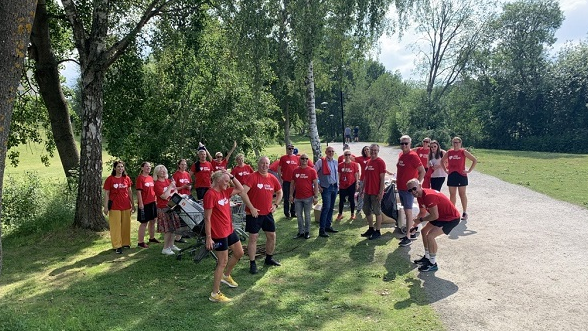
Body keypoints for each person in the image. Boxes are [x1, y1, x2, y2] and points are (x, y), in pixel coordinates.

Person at [204, 170, 256, 303]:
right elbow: (207, 218)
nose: (228, 184)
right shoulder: (210, 194)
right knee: (222, 262)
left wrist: (231, 176)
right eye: (226, 181)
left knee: (239, 252)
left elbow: (240, 188)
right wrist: (209, 237)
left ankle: (226, 276)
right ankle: (215, 293)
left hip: (229, 230)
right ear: (218, 180)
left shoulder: (225, 192)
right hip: (218, 233)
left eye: (228, 181)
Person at [406, 178, 461, 272]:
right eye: (410, 190)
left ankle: (432, 263)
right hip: (440, 216)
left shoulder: (428, 196)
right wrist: (414, 225)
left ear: (420, 186)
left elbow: (434, 216)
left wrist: (421, 220)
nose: (413, 192)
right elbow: (422, 212)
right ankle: (427, 258)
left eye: (414, 188)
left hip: (451, 218)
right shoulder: (420, 196)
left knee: (430, 236)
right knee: (423, 231)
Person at [242, 156, 283, 274]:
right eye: (262, 163)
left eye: (267, 163)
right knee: (253, 238)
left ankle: (268, 259)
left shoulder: (272, 178)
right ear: (258, 164)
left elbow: (280, 192)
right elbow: (243, 193)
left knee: (272, 236)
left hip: (267, 213)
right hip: (254, 214)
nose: (265, 166)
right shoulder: (252, 177)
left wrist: (275, 204)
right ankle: (252, 263)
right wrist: (251, 208)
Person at [396, 135, 426, 247]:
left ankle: (407, 236)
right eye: (402, 143)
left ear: (410, 144)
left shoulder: (413, 156)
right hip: (400, 187)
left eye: (406, 143)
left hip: (408, 190)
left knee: (408, 213)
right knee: (406, 211)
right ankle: (412, 230)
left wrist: (416, 186)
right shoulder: (401, 155)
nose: (404, 145)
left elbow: (422, 171)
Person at [441, 136, 478, 220]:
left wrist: (469, 170)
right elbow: (442, 161)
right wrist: (446, 170)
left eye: (457, 142)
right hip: (452, 175)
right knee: (452, 194)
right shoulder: (449, 152)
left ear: (460, 143)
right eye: (454, 142)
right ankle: (452, 212)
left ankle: (464, 212)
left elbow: (474, 160)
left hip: (461, 175)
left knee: (462, 194)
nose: (456, 144)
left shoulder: (463, 152)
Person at [103, 160, 135, 254]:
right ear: (114, 168)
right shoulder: (110, 179)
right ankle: (117, 245)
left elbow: (129, 192)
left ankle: (125, 243)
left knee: (126, 225)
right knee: (115, 226)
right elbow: (107, 193)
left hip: (126, 205)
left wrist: (132, 204)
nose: (120, 168)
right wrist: (105, 206)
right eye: (118, 167)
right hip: (114, 206)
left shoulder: (127, 178)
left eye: (122, 167)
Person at [359, 144, 386, 240]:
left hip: (376, 191)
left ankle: (378, 231)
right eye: (372, 150)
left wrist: (381, 192)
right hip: (367, 191)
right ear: (369, 151)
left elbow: (382, 179)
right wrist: (362, 190)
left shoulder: (380, 162)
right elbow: (365, 177)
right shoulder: (368, 162)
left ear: (378, 151)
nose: (373, 152)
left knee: (377, 211)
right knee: (366, 209)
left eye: (375, 150)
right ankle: (371, 228)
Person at [153, 164, 181, 255]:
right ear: (156, 173)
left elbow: (175, 192)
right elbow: (164, 196)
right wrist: (170, 187)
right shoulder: (157, 184)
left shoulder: (168, 180)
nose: (163, 172)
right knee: (168, 229)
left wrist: (172, 189)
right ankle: (165, 248)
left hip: (172, 206)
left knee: (173, 228)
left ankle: (171, 245)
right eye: (161, 170)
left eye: (164, 170)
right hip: (163, 208)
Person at [289, 154, 319, 239]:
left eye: (306, 158)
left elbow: (316, 184)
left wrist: (316, 196)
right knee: (298, 215)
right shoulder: (295, 171)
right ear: (300, 160)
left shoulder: (312, 171)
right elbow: (292, 184)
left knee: (307, 215)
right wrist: (291, 195)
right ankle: (300, 232)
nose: (304, 160)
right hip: (298, 198)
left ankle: (307, 232)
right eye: (302, 158)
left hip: (308, 197)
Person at [315, 146, 339, 237]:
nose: (331, 153)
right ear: (325, 152)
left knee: (331, 207)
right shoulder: (320, 162)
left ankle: (328, 226)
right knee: (326, 207)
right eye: (329, 151)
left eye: (332, 151)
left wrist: (338, 185)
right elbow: (313, 174)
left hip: (334, 187)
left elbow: (337, 174)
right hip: (326, 188)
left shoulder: (336, 162)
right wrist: (318, 185)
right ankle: (322, 229)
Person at [135, 162, 159, 248]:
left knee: (153, 221)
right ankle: (140, 242)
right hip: (144, 203)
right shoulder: (140, 178)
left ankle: (151, 238)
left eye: (149, 167)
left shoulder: (150, 178)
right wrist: (141, 203)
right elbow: (138, 192)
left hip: (152, 202)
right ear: (142, 168)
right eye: (146, 166)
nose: (148, 168)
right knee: (144, 222)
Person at [172, 159, 192, 244]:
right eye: (182, 164)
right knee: (180, 217)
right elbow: (173, 188)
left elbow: (190, 184)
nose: (184, 166)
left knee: (187, 215)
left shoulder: (187, 174)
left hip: (187, 197)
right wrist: (183, 187)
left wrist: (189, 187)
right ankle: (178, 236)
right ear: (179, 165)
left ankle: (184, 233)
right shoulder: (176, 175)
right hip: (179, 198)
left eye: (185, 164)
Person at [336, 150, 360, 220]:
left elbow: (356, 174)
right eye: (346, 155)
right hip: (342, 184)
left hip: (351, 184)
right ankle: (340, 214)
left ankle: (352, 214)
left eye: (349, 154)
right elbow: (339, 174)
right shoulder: (340, 165)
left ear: (351, 156)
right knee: (341, 200)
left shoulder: (354, 164)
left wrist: (357, 183)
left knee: (351, 199)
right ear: (344, 156)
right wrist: (338, 183)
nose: (347, 156)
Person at [278, 144, 299, 218]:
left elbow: (299, 168)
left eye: (292, 149)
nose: (291, 150)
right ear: (287, 150)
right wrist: (281, 179)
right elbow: (279, 169)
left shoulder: (296, 158)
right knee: (286, 197)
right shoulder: (283, 158)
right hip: (286, 180)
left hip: (295, 181)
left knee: (294, 196)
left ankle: (293, 212)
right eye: (289, 149)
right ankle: (286, 213)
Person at [354, 146, 370, 217]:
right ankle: (359, 208)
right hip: (363, 179)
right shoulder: (361, 158)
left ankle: (370, 208)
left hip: (371, 180)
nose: (366, 151)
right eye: (365, 150)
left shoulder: (373, 158)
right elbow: (352, 158)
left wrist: (388, 173)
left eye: (367, 149)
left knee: (371, 194)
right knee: (361, 194)